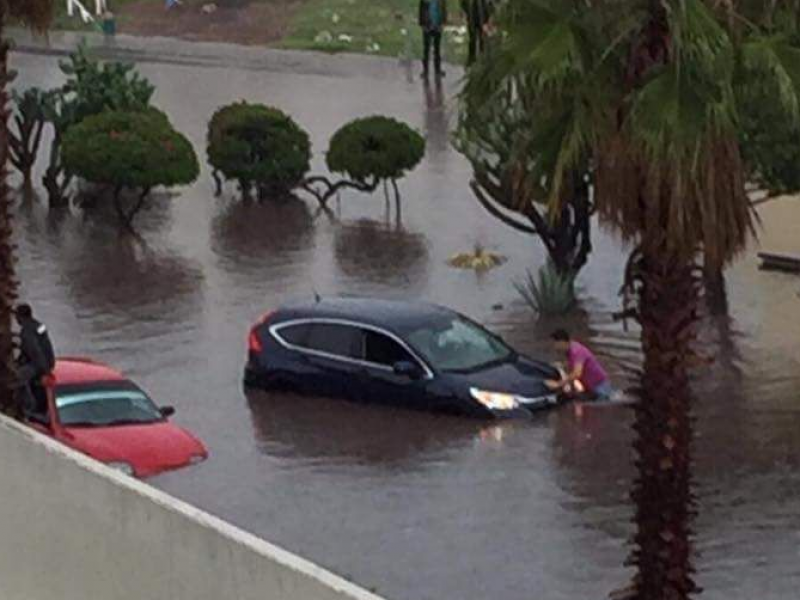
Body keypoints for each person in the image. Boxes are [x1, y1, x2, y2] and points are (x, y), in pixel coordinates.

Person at [546, 329, 614, 401]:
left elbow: (577, 373)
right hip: (591, 387)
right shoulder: (569, 351)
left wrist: (558, 384)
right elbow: (574, 366)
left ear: (562, 342)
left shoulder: (576, 351)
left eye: (555, 344)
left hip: (600, 387)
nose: (555, 347)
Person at [14, 304, 56, 416]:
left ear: (20, 316)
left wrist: (45, 371)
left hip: (39, 364)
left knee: (17, 378)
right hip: (49, 360)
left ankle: (29, 406)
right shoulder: (38, 325)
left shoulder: (26, 331)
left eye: (16, 316)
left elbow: (35, 352)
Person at [419, 0, 448, 78]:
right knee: (426, 49)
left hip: (437, 26)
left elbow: (444, 9)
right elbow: (421, 11)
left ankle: (437, 70)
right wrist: (422, 24)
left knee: (437, 49)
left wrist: (443, 22)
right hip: (427, 25)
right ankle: (425, 71)